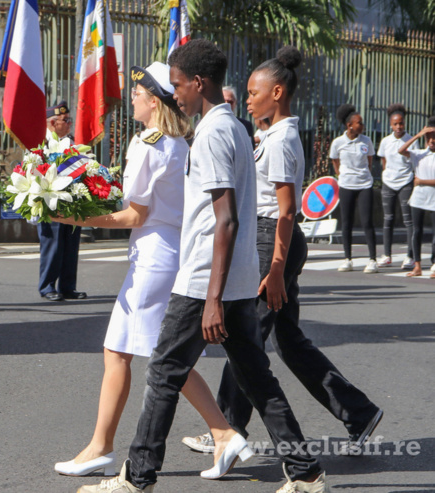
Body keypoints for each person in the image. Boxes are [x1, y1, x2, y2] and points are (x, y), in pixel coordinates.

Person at [79, 39, 327, 493]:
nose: (174, 95)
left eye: (177, 85)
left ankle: (137, 478)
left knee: (163, 374)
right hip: (234, 278)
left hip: (203, 282)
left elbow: (226, 219)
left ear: (199, 82)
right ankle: (306, 472)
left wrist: (210, 299)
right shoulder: (231, 126)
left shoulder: (213, 132)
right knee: (256, 377)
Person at [182, 46, 383, 462]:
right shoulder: (274, 135)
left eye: (254, 93)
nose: (248, 99)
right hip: (273, 240)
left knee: (244, 336)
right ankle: (359, 413)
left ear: (276, 92)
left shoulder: (283, 138)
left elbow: (287, 210)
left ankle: (229, 427)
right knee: (290, 344)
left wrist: (275, 270)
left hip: (274, 242)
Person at [51, 62, 243, 479]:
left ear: (153, 101)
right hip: (168, 253)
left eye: (137, 94)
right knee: (134, 351)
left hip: (154, 257)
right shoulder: (176, 142)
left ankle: (221, 432)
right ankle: (105, 445)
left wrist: (76, 219)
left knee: (152, 354)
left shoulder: (149, 144)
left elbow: (135, 216)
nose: (132, 99)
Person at [38, 102, 86, 302]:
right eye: (65, 120)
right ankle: (47, 286)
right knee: (53, 245)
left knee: (70, 245)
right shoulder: (41, 145)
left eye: (69, 120)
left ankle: (67, 287)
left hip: (72, 200)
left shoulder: (74, 143)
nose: (69, 124)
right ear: (52, 122)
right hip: (51, 201)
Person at [330, 103, 379, 274]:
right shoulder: (338, 143)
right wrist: (342, 175)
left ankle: (373, 260)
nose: (362, 125)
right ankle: (348, 259)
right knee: (347, 222)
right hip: (346, 184)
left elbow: (370, 162)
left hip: (364, 184)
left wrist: (362, 174)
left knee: (367, 222)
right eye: (359, 122)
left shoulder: (367, 141)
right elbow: (335, 162)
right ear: (349, 125)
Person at [376, 104, 418, 270]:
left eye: (401, 123)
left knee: (409, 220)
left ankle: (410, 256)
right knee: (388, 219)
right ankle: (387, 255)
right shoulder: (386, 141)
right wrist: (387, 175)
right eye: (395, 124)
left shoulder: (410, 141)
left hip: (405, 182)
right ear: (390, 125)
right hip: (388, 183)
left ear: (404, 123)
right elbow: (383, 161)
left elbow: (414, 162)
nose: (399, 126)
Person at [398, 118, 435, 278]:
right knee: (416, 231)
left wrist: (421, 181)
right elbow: (401, 150)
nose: (432, 140)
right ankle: (417, 265)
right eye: (429, 137)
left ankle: (434, 264)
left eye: (434, 137)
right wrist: (419, 135)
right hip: (418, 199)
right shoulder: (419, 154)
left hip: (433, 199)